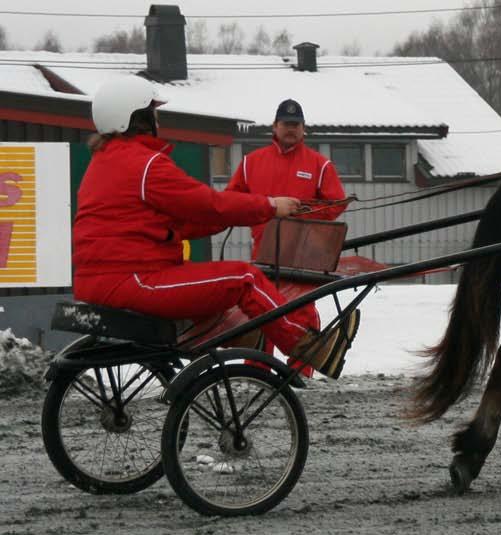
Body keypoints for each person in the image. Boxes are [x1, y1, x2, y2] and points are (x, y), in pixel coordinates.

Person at [72, 76, 348, 378]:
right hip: (133, 279)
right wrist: (270, 206)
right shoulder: (145, 164)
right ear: (137, 117)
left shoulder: (104, 162)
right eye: (154, 113)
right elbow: (210, 203)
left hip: (109, 278)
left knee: (220, 285)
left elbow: (178, 222)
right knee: (245, 278)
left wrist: (221, 220)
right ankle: (307, 347)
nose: (158, 120)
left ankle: (247, 336)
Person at [225, 98, 358, 377]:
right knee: (259, 312)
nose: (291, 129)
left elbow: (336, 203)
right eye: (286, 124)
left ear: (303, 129)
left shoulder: (320, 164)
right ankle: (257, 374)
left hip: (303, 255)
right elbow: (231, 201)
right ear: (275, 126)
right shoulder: (251, 163)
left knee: (301, 313)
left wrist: (303, 213)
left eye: (295, 125)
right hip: (263, 253)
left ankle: (300, 373)